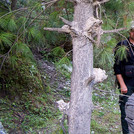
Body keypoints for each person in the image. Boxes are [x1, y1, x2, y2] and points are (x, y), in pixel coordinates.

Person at [114, 25, 134, 134]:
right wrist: (122, 84)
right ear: (130, 32)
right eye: (133, 31)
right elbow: (116, 68)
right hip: (127, 84)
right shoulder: (122, 45)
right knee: (126, 112)